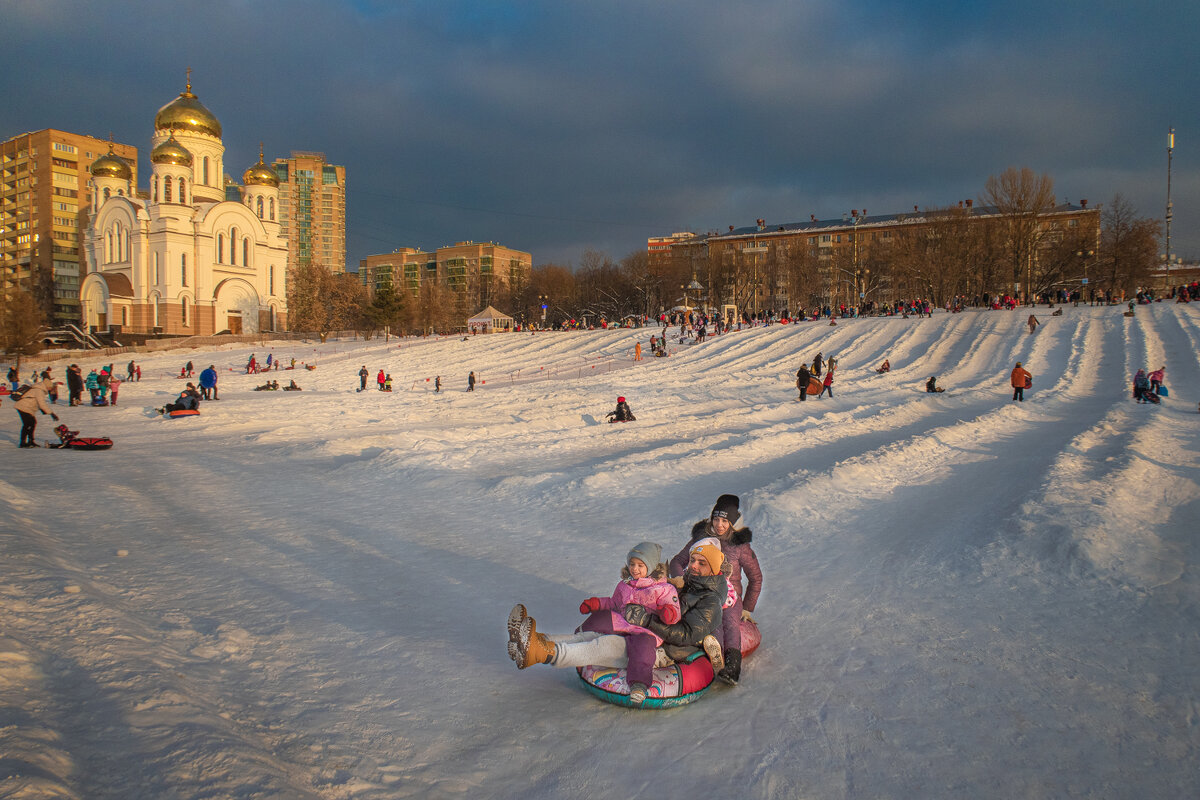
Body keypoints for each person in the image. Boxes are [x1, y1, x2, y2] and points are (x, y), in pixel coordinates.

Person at [511, 540, 725, 707]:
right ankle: (537, 641)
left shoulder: (710, 601)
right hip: (639, 630)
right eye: (693, 560)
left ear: (713, 568)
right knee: (590, 635)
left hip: (665, 649)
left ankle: (542, 653)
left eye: (701, 563)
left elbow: (686, 635)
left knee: (603, 647)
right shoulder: (685, 584)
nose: (693, 566)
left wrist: (647, 620)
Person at [668, 494, 761, 685]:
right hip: (700, 591)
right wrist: (679, 578)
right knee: (711, 623)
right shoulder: (702, 538)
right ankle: (710, 659)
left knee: (729, 623)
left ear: (733, 523)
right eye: (716, 519)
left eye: (725, 521)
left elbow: (756, 577)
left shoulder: (740, 545)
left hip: (729, 595)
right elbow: (678, 560)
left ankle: (732, 668)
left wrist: (747, 608)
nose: (719, 525)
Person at [13, 380, 60, 447]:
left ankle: (30, 441)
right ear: (47, 386)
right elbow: (42, 404)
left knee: (32, 423)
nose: (50, 389)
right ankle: (23, 442)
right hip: (23, 407)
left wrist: (45, 411)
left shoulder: (38, 389)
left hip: (26, 408)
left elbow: (38, 403)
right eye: (50, 387)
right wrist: (52, 413)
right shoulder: (39, 391)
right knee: (28, 424)